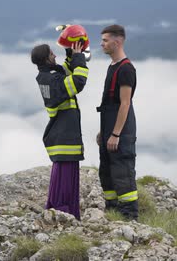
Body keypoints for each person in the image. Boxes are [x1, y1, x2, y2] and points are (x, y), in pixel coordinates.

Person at [30, 40, 88, 220]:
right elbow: (77, 81)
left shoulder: (47, 76)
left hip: (62, 137)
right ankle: (63, 212)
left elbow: (65, 72)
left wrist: (70, 53)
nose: (55, 55)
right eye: (51, 54)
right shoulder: (51, 79)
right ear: (46, 60)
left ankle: (65, 211)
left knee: (64, 179)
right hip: (64, 138)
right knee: (65, 181)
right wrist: (79, 57)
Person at [96, 24, 138, 220]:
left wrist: (116, 134)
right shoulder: (112, 66)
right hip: (109, 129)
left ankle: (130, 217)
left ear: (117, 41)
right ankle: (112, 212)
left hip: (121, 132)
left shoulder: (126, 69)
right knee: (107, 171)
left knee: (122, 172)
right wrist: (103, 132)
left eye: (105, 40)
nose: (101, 44)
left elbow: (125, 104)